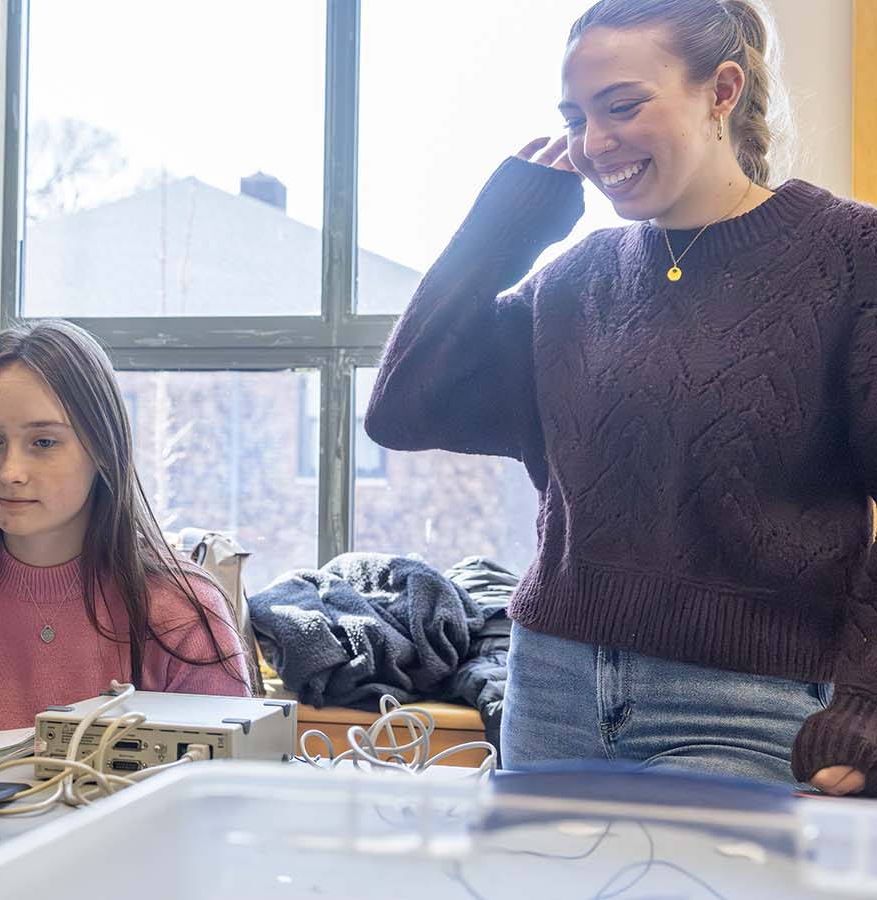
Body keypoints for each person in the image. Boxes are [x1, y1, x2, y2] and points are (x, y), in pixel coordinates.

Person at [364, 0, 875, 796]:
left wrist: (868, 706)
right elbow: (403, 408)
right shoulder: (574, 279)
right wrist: (501, 231)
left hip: (747, 706)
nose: (595, 143)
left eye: (623, 106)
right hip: (552, 689)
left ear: (723, 90)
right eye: (575, 117)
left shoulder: (850, 255)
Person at [0, 320, 249, 729]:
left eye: (44, 443)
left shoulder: (183, 615)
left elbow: (226, 785)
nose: (10, 472)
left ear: (102, 449)